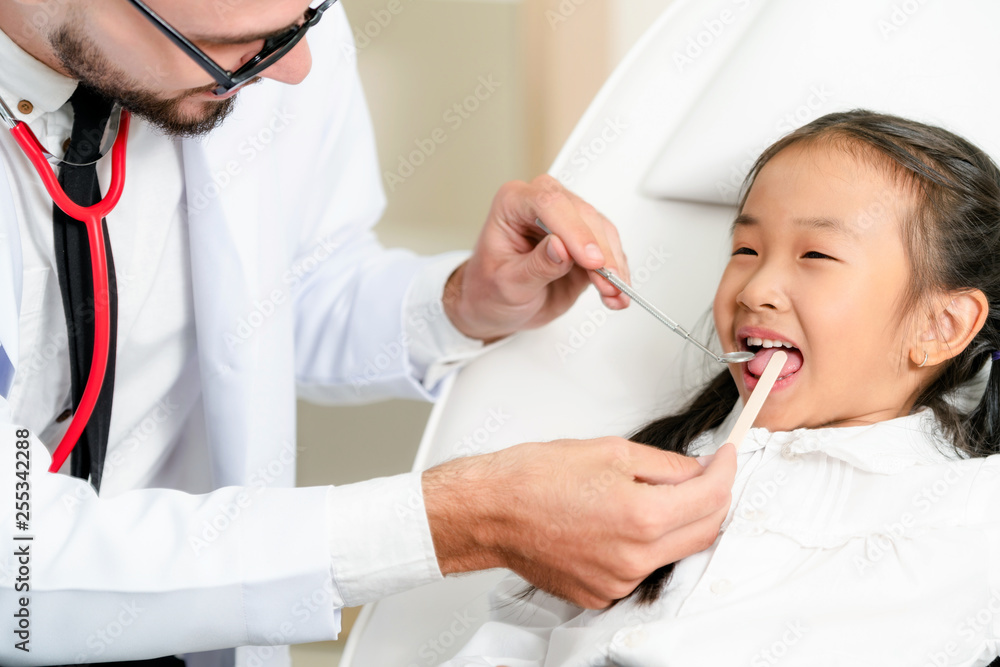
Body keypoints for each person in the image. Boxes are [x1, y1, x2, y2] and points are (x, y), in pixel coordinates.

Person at [0, 1, 738, 665]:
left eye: (306, 19)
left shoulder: (275, 27)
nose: (296, 68)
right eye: (231, 43)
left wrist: (460, 303)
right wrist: (460, 520)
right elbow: (20, 573)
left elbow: (274, 299)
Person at [438, 109, 1000, 666]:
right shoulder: (646, 473)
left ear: (939, 326)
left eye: (816, 255)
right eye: (746, 250)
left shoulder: (975, 517)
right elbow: (517, 637)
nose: (756, 289)